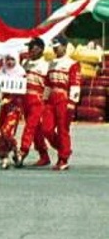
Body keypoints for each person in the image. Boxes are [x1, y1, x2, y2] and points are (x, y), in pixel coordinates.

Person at [46, 36, 80, 170]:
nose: (55, 49)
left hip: (64, 98)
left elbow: (75, 84)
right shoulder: (51, 63)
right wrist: (44, 99)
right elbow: (48, 84)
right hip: (51, 98)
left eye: (57, 46)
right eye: (53, 47)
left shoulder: (72, 64)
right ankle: (63, 148)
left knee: (62, 129)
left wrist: (72, 103)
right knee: (46, 129)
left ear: (65, 46)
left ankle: (63, 158)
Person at [19, 37, 53, 167]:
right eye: (29, 47)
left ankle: (23, 151)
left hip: (38, 100)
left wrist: (45, 100)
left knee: (30, 127)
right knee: (36, 130)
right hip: (25, 99)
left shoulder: (45, 65)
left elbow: (49, 85)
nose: (29, 50)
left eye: (31, 47)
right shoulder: (25, 63)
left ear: (40, 49)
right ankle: (44, 155)